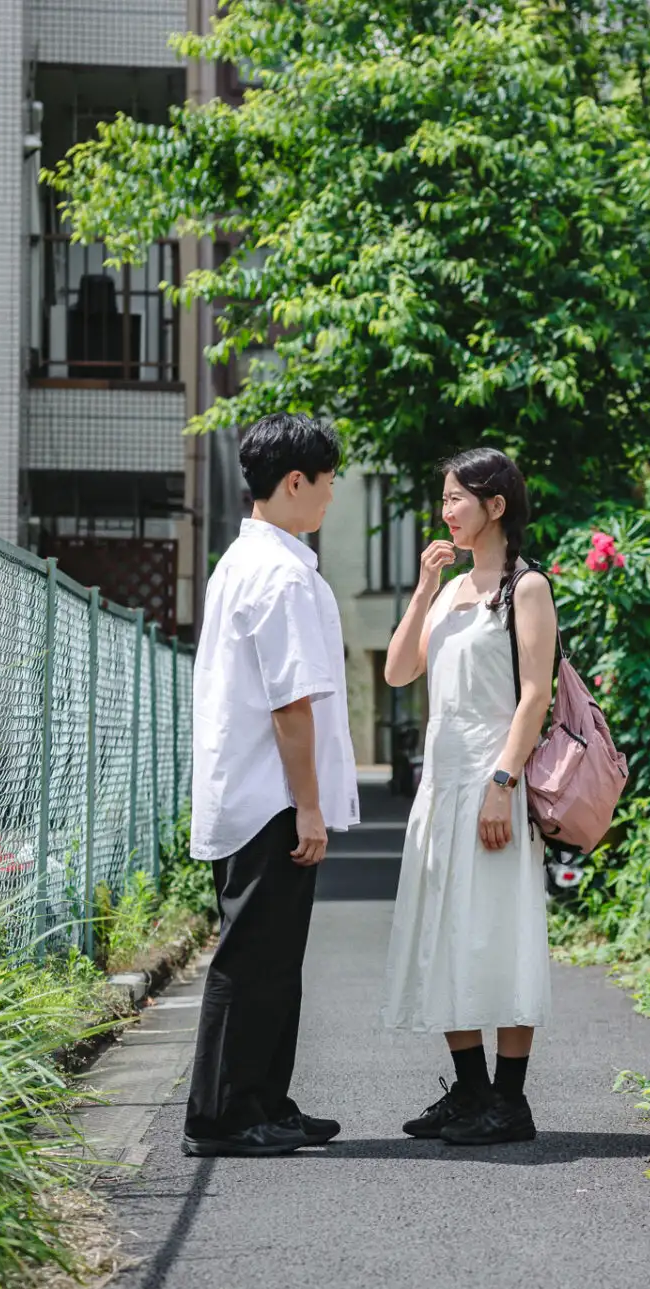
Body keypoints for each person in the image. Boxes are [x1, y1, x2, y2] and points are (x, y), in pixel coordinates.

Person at [183, 413, 360, 1158]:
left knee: (272, 958)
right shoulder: (282, 573)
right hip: (272, 796)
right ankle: (221, 1115)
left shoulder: (246, 561)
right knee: (253, 956)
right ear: (295, 482)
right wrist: (310, 805)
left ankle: (264, 1102)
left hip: (255, 788)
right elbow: (291, 703)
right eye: (326, 483)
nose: (329, 497)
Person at [381, 448, 557, 1145]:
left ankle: (509, 1101)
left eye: (456, 498)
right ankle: (471, 1090)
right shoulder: (451, 591)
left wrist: (501, 784)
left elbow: (534, 696)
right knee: (443, 929)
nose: (445, 510)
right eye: (444, 497)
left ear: (496, 506)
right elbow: (398, 672)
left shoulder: (527, 587)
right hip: (442, 778)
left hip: (492, 778)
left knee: (500, 930)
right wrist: (424, 590)